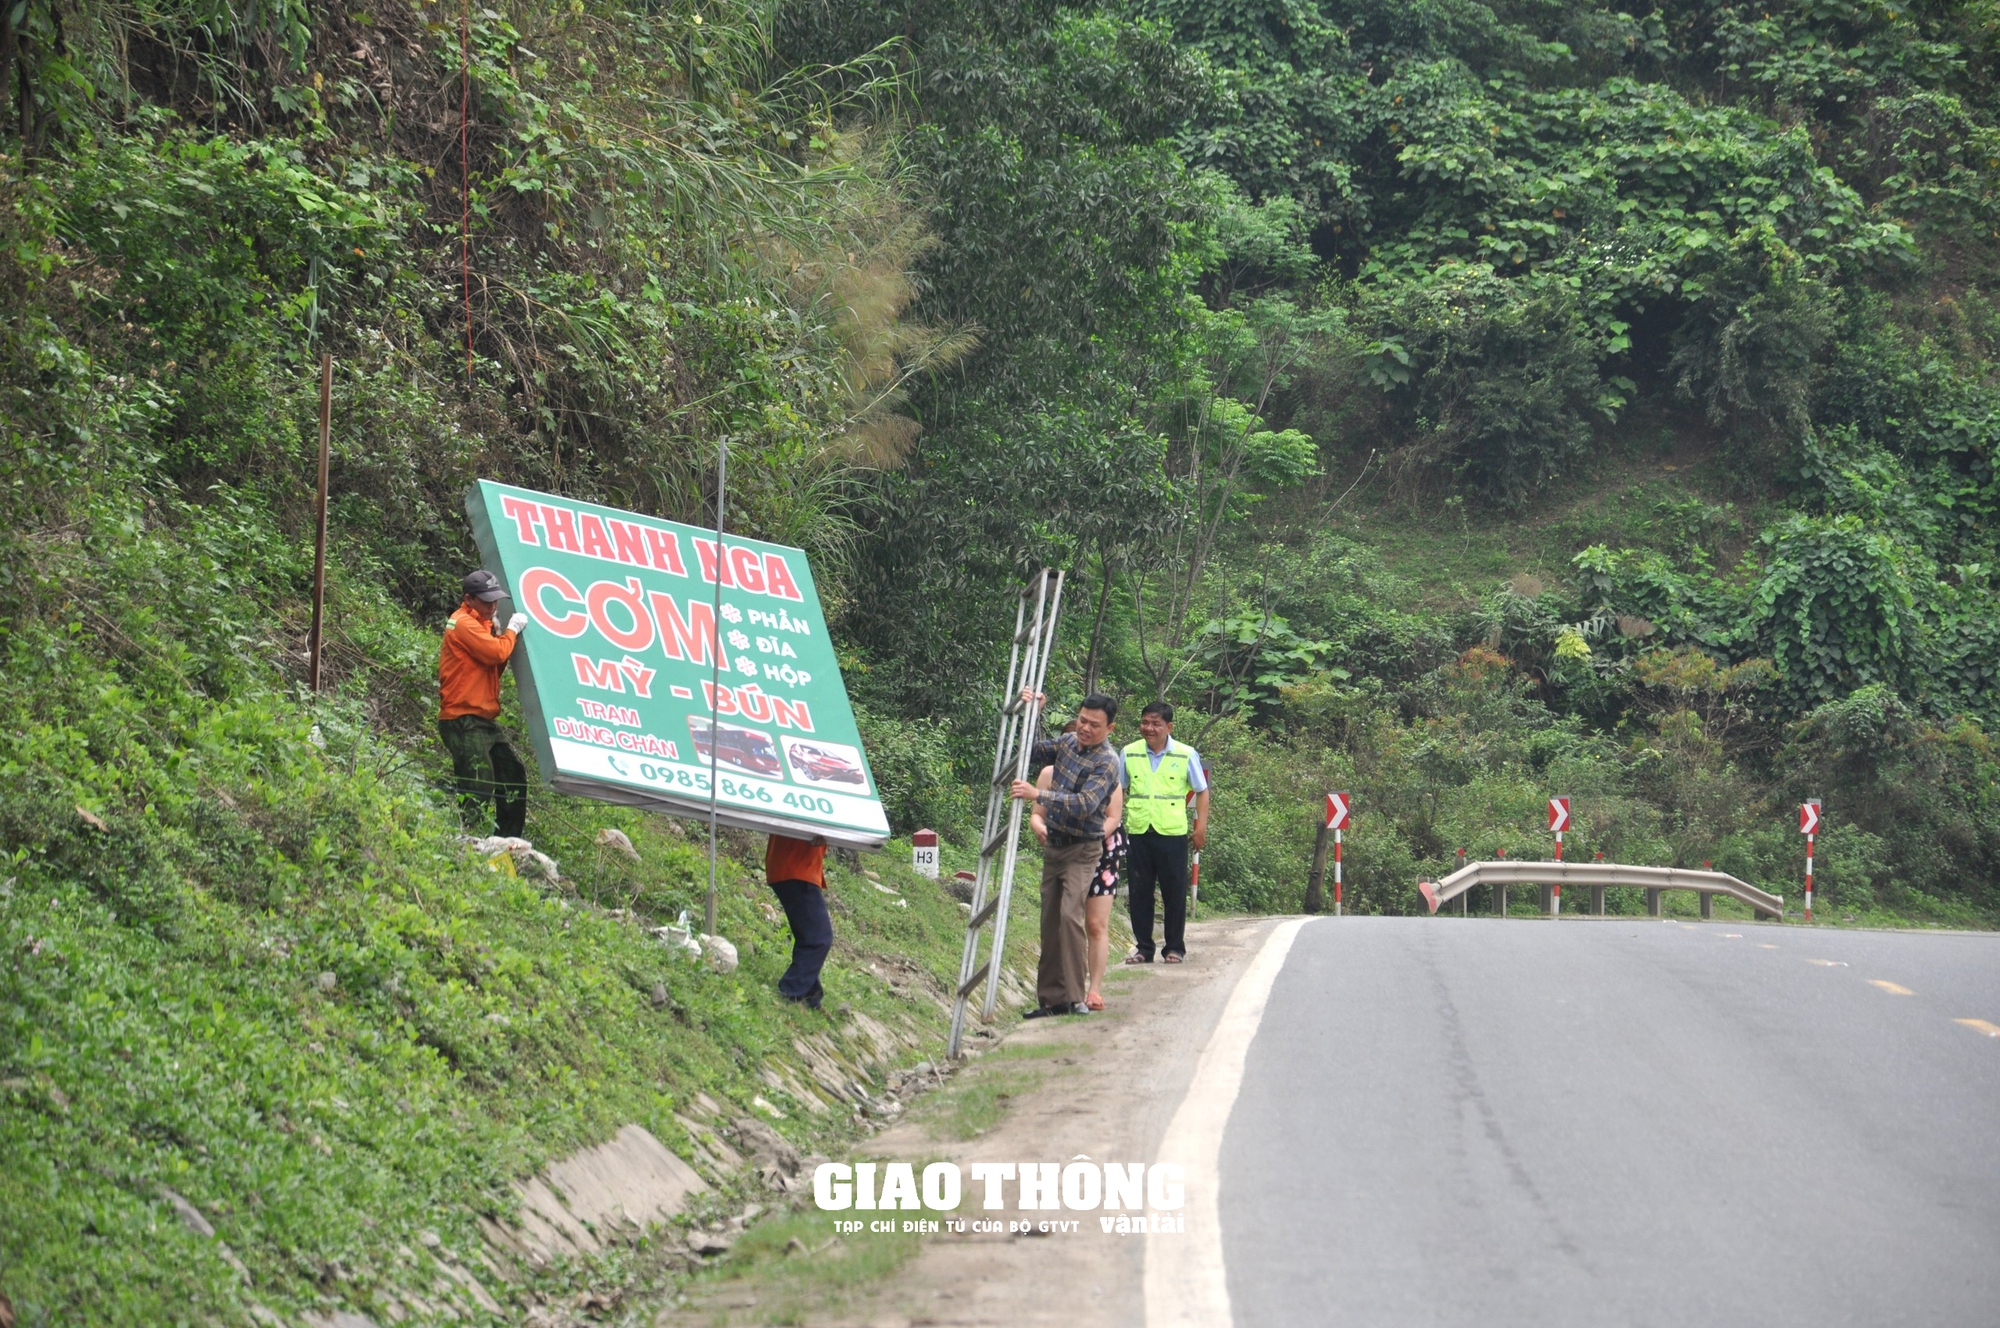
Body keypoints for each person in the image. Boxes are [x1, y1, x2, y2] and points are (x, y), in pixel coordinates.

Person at [1010, 692, 1122, 1018]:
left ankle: (1076, 998)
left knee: (1071, 916)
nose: (1085, 728)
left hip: (1083, 849)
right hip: (1054, 847)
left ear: (1110, 728)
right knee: (1050, 922)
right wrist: (1034, 713)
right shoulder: (1068, 743)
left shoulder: (1108, 762)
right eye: (1083, 720)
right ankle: (1052, 1000)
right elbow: (1030, 752)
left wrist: (1039, 795)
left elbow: (1087, 804)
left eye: (1094, 725)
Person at [438, 569, 530, 837]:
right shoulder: (462, 623)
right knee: (478, 783)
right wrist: (511, 631)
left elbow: (494, 667)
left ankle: (507, 841)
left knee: (512, 775)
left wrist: (500, 632)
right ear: (469, 599)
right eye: (486, 601)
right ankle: (466, 840)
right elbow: (494, 653)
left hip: (483, 719)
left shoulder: (484, 626)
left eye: (496, 600)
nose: (492, 606)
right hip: (463, 719)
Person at [1032, 762, 1125, 1012]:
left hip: (1100, 850)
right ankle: (1060, 995)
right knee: (1063, 919)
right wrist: (1041, 828)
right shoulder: (1049, 774)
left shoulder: (1107, 775)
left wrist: (1087, 836)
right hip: (1062, 851)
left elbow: (1113, 817)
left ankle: (1093, 990)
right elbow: (1037, 813)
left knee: (1094, 923)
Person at [1121, 700, 1209, 964]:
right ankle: (1144, 948)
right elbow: (1119, 789)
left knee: (1174, 891)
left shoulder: (1185, 754)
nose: (1149, 728)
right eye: (1145, 722)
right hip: (1138, 831)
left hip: (1172, 833)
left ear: (1169, 727)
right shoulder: (1129, 752)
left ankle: (1174, 947)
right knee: (1139, 892)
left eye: (1156, 723)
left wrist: (1200, 827)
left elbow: (1202, 790)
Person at [766, 832, 832, 1009]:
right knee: (819, 938)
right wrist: (811, 830)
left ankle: (811, 995)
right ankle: (790, 991)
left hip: (793, 867)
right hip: (796, 869)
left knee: (809, 935)